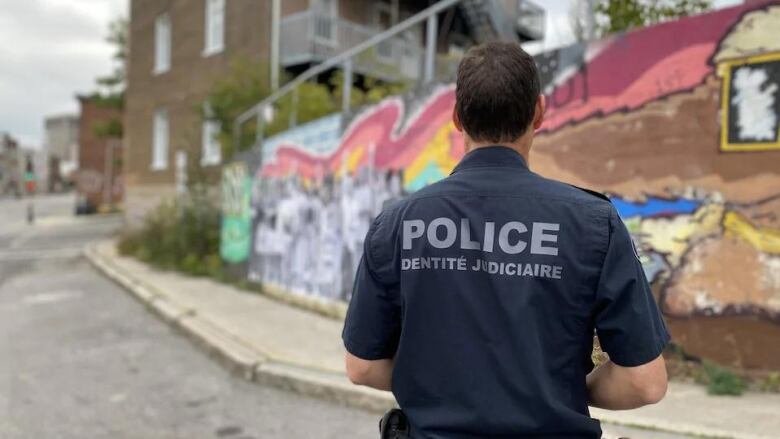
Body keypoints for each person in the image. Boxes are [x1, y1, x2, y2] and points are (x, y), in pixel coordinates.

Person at [341, 41, 670, 439]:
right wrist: (556, 390)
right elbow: (644, 382)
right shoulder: (594, 223)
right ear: (539, 113)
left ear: (457, 118)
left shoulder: (396, 223)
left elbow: (362, 366)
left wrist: (436, 386)